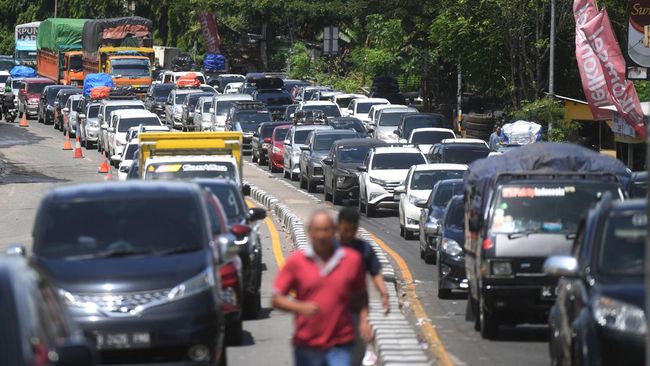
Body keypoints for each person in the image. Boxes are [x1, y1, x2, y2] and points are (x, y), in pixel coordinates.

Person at [273, 210, 370, 366]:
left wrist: (364, 321)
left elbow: (361, 295)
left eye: (326, 230)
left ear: (334, 231)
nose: (322, 235)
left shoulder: (352, 260)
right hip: (307, 345)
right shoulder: (297, 262)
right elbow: (276, 299)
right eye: (317, 230)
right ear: (309, 232)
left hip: (341, 344)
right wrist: (300, 307)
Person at [337, 207, 388, 366]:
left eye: (352, 230)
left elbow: (375, 272)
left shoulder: (363, 249)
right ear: (339, 226)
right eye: (345, 229)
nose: (349, 234)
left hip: (355, 309)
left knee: (355, 354)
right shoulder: (328, 248)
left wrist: (383, 292)